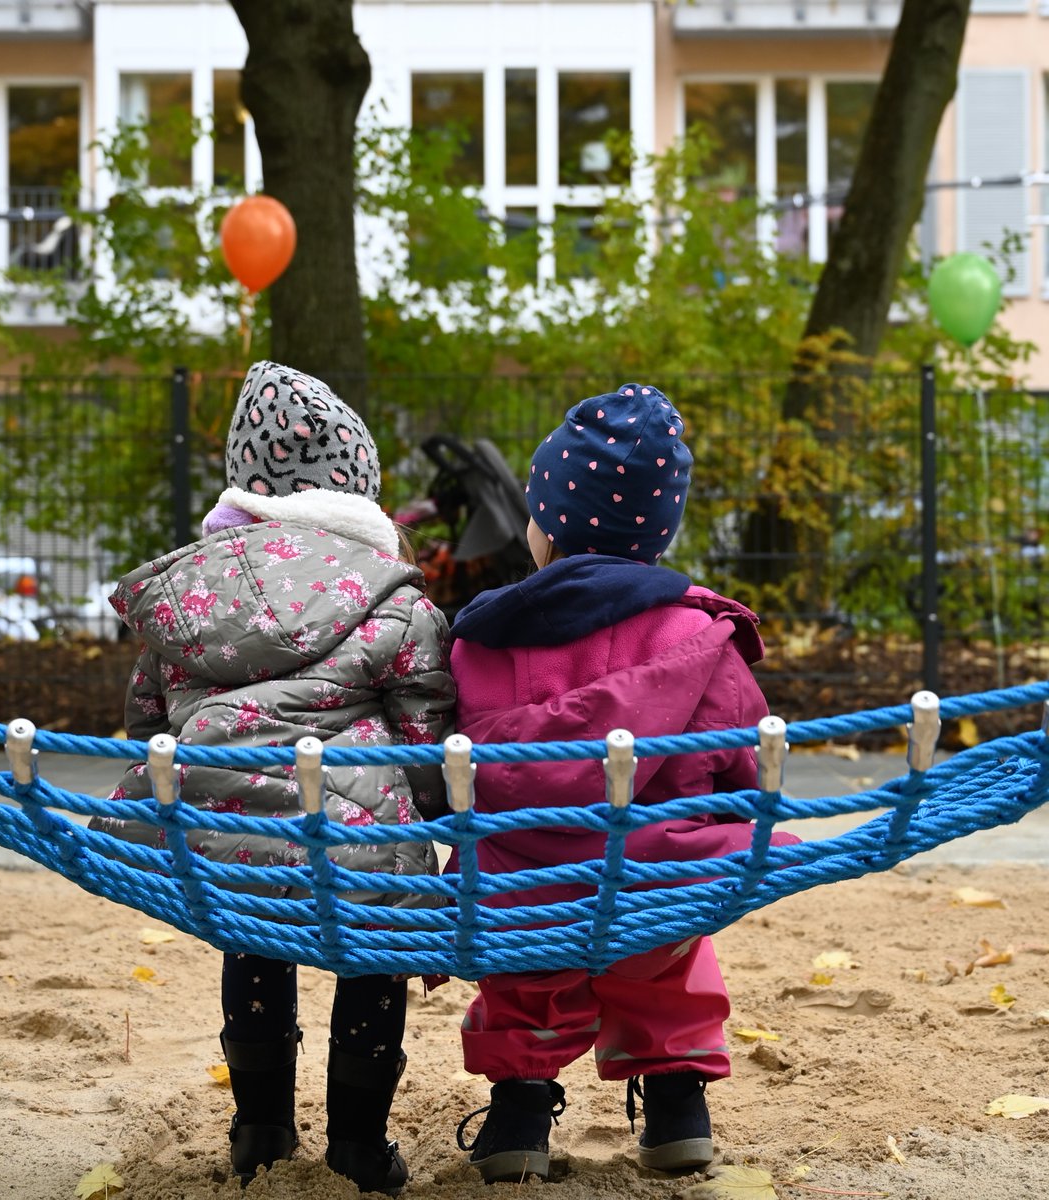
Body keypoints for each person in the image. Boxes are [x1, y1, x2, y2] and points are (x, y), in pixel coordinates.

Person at [89, 361, 456, 1196]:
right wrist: (428, 815)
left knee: (255, 936)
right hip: (357, 834)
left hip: (222, 830)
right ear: (357, 496)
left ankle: (259, 1129)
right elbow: (426, 721)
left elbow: (148, 718)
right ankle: (360, 1143)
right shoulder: (393, 595)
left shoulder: (191, 599)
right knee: (376, 950)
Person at [447, 381, 799, 1183]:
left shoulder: (481, 641)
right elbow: (743, 766)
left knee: (524, 967)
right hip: (653, 884)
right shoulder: (698, 633)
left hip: (520, 892)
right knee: (672, 951)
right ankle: (679, 1111)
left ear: (547, 525)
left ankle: (518, 1120)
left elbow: (446, 773)